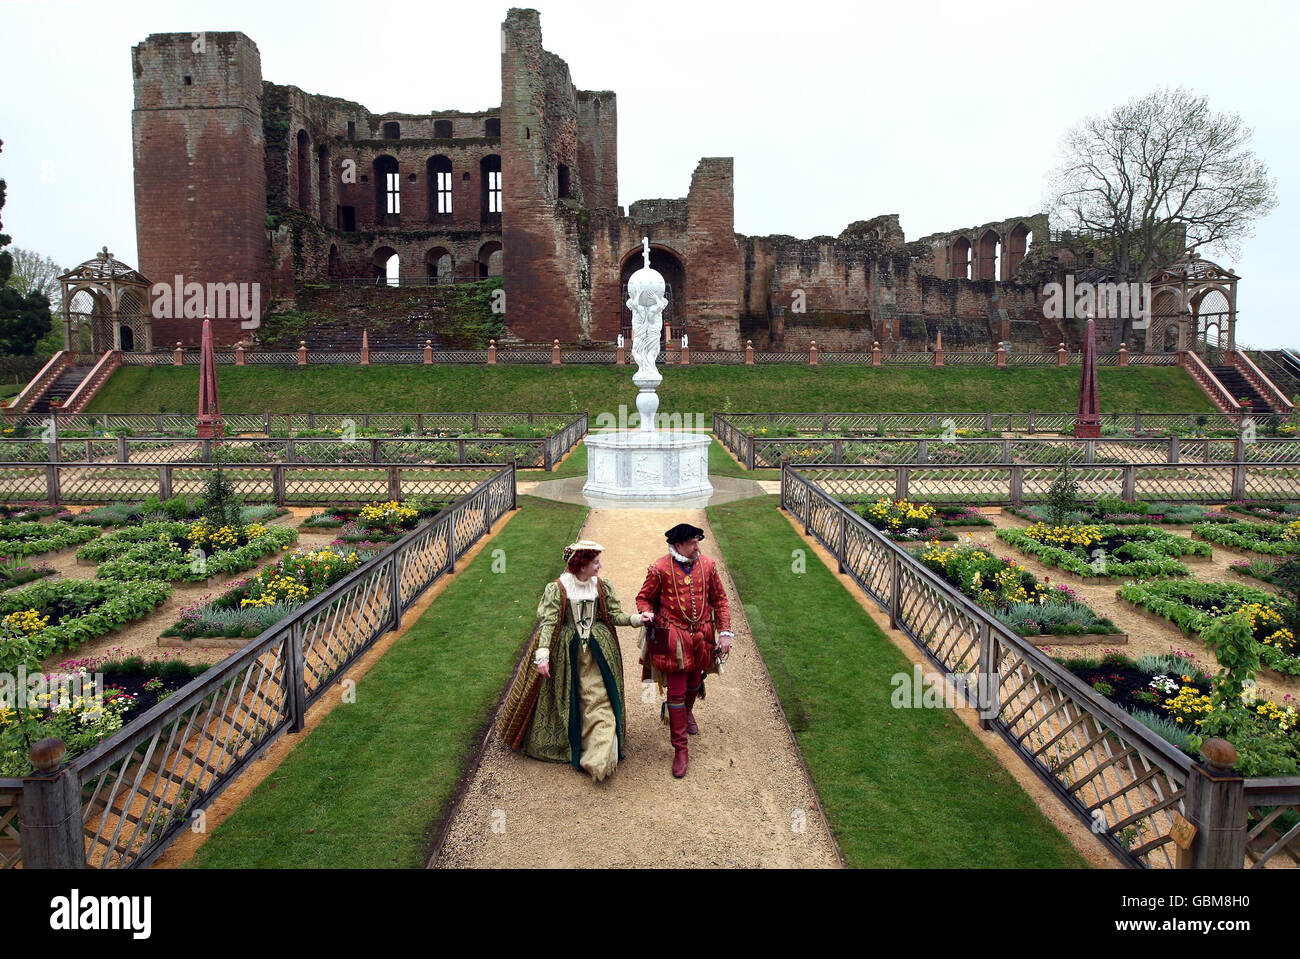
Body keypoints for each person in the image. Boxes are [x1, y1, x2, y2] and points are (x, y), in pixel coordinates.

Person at [497, 539, 653, 782]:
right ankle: (574, 744)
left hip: (598, 655)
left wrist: (637, 619)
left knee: (600, 700)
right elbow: (548, 624)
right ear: (581, 565)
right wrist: (543, 656)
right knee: (570, 699)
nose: (600, 566)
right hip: (566, 657)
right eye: (595, 562)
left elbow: (613, 616)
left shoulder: (602, 586)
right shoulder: (557, 589)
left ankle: (600, 757)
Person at [635, 523, 734, 778]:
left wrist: (725, 632)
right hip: (673, 637)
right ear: (678, 545)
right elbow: (643, 597)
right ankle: (680, 748)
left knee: (694, 683)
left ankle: (689, 712)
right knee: (676, 693)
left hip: (702, 634)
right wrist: (647, 614)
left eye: (698, 541)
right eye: (692, 542)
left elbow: (720, 600)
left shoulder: (709, 565)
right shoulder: (659, 568)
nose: (697, 547)